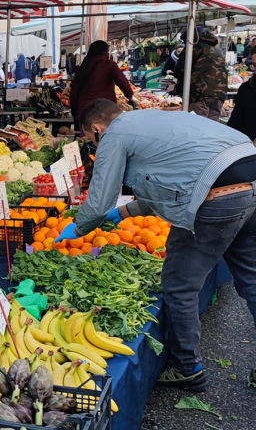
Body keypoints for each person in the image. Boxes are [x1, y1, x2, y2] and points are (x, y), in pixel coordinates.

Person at [56, 99, 256, 391]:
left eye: (92, 140)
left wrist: (80, 226)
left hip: (215, 195)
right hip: (250, 176)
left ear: (96, 129)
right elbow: (171, 185)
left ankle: (188, 368)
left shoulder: (114, 134)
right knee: (252, 279)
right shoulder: (149, 119)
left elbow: (99, 201)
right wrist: (123, 213)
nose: (95, 146)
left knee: (180, 285)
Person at [68, 40, 134, 127]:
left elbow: (75, 91)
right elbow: (122, 82)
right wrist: (130, 96)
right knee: (105, 133)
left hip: (86, 110)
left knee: (87, 134)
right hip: (105, 109)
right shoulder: (109, 64)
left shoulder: (83, 67)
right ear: (105, 52)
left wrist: (74, 112)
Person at [175, 26, 227, 120]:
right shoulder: (216, 49)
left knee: (196, 125)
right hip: (219, 95)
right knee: (212, 126)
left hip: (199, 94)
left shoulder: (193, 48)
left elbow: (179, 70)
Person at [228, 76, 256, 140]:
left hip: (242, 135)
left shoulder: (245, 86)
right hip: (245, 136)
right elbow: (237, 114)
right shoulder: (245, 87)